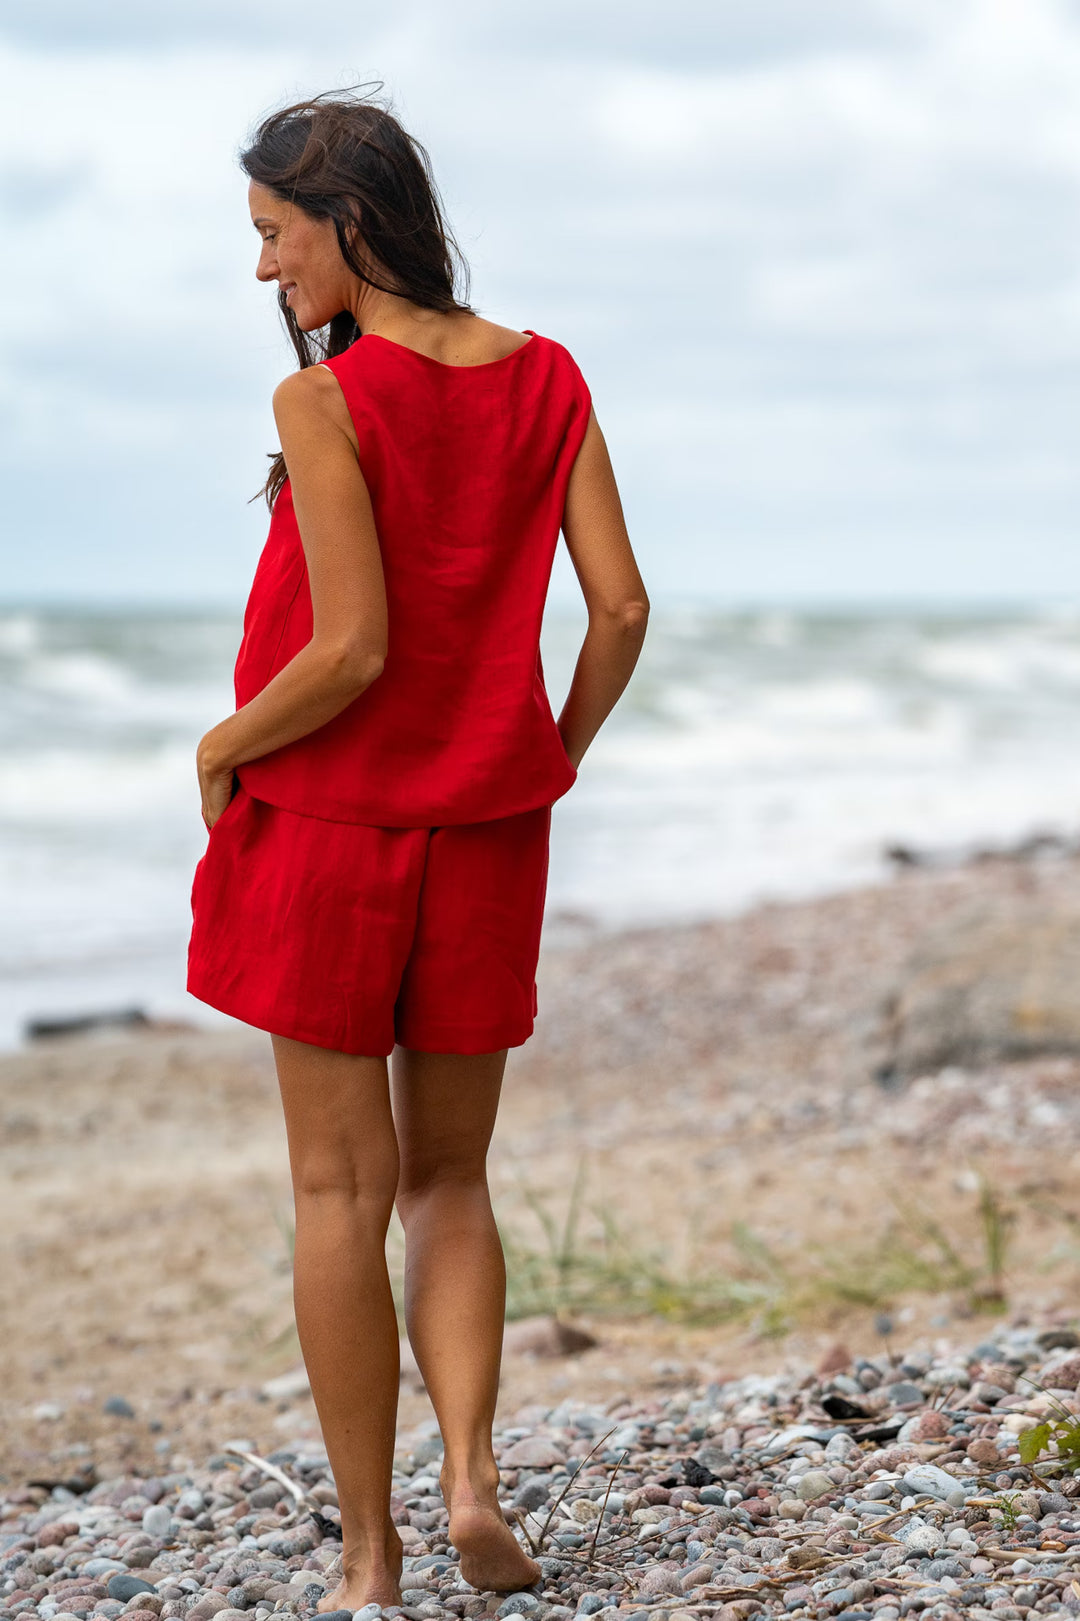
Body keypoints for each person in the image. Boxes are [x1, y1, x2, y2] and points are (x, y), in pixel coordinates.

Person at [186, 87, 649, 1614]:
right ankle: (471, 1481)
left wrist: (223, 741)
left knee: (337, 1190)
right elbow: (624, 612)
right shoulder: (549, 374)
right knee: (452, 1179)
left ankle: (371, 1563)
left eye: (273, 235)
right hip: (487, 836)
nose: (265, 271)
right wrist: (543, 760)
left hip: (327, 829)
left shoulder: (326, 401)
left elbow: (353, 648)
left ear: (349, 222)